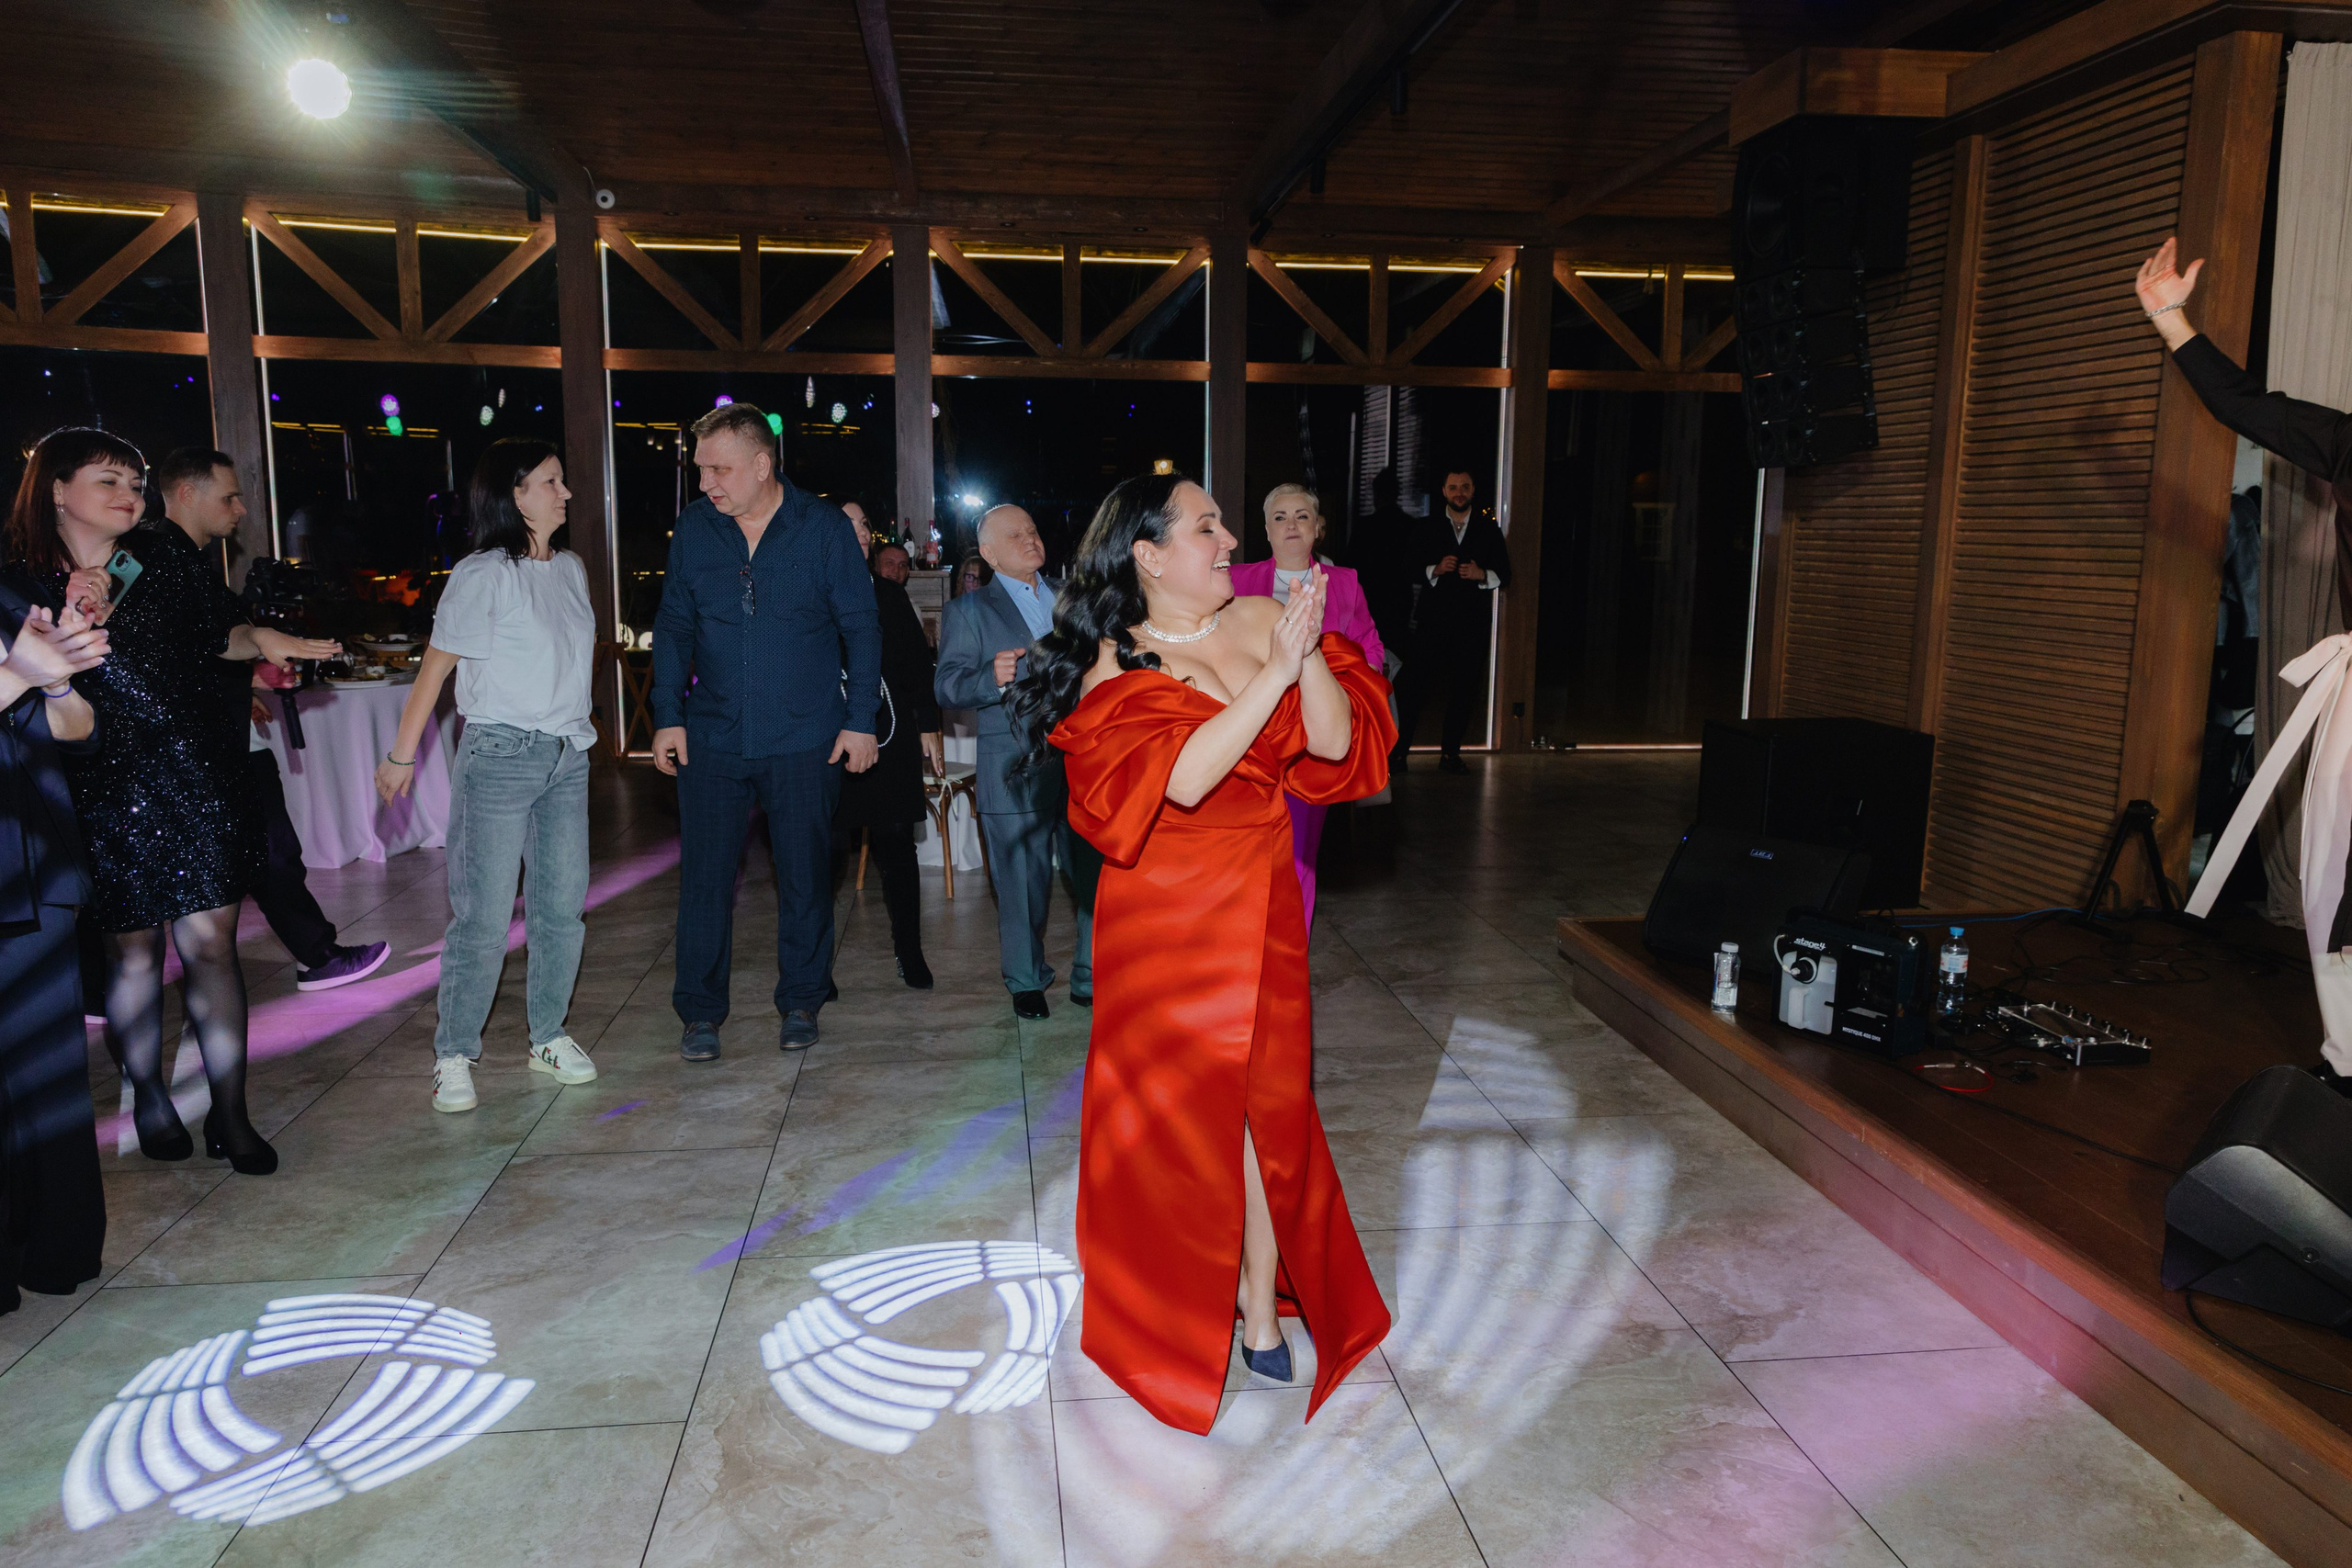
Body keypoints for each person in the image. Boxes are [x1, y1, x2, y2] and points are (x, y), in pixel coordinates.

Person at [1012, 471, 1394, 1433]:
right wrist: (1275, 670)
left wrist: (1300, 652)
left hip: (1261, 902)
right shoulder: (1115, 661)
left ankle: (1260, 1307)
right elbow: (1182, 780)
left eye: (1226, 526)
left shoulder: (1265, 613)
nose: (1231, 541)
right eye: (1208, 526)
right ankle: (1176, 1309)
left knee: (1271, 1118)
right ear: (1147, 555)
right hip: (1167, 925)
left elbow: (1335, 742)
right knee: (1188, 1134)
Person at [4, 428, 338, 1178]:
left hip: (196, 775)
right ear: (58, 490)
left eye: (136, 482)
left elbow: (219, 633)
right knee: (134, 954)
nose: (131, 496)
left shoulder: (156, 552)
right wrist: (78, 599)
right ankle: (148, 1093)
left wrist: (264, 638)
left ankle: (230, 1112)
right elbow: (58, 652)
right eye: (110, 482)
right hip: (106, 786)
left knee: (213, 945)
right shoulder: (25, 581)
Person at [377, 440, 600, 1113]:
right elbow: (436, 667)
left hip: (568, 756)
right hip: (500, 755)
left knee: (563, 909)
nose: (565, 492)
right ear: (515, 492)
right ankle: (453, 1053)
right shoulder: (482, 574)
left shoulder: (571, 569)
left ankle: (548, 1035)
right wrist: (401, 752)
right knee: (482, 916)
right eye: (552, 481)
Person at [650, 404, 880, 1058]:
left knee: (805, 874)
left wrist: (860, 721)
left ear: (762, 463)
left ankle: (802, 1000)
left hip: (806, 735)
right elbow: (673, 627)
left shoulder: (824, 529)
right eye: (700, 470)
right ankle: (699, 1013)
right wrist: (667, 712)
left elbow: (862, 627)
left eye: (719, 469)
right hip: (713, 736)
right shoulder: (695, 529)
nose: (706, 484)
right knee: (705, 878)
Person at [152, 448, 387, 991]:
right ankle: (318, 956)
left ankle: (318, 953)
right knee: (268, 851)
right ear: (187, 493)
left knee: (269, 852)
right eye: (229, 496)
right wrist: (243, 676)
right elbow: (150, 653)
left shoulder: (189, 560)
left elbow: (196, 648)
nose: (239, 509)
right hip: (201, 743)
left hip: (221, 732)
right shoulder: (153, 557)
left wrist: (250, 678)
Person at [935, 503, 1097, 1020]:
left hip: (1083, 758)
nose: (1030, 538)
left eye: (1032, 529)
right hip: (1015, 764)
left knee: (1094, 873)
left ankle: (1090, 975)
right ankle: (1026, 979)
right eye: (1015, 533)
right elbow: (947, 685)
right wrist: (991, 675)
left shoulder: (1071, 598)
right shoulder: (970, 610)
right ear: (988, 553)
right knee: (1022, 882)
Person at [0, 574, 109, 1316]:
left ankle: (56, 1244)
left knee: (48, 1071)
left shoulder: (8, 599)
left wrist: (60, 682)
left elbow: (77, 730)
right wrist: (18, 675)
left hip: (29, 854)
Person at [1228, 484, 1384, 934]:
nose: (1291, 525)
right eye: (1280, 517)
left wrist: (1349, 690)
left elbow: (1371, 649)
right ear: (1266, 530)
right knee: (1249, 843)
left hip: (1312, 737)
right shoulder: (1237, 581)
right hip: (1250, 731)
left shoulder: (1346, 583)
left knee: (1298, 849)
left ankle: (1291, 943)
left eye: (1301, 516)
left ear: (1318, 528)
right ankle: (1248, 937)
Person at [833, 522, 944, 988]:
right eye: (848, 523)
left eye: (864, 526)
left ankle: (909, 951)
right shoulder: (807, 590)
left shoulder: (889, 594)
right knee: (823, 854)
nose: (860, 532)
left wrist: (930, 723)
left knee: (897, 843)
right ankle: (813, 966)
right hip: (826, 739)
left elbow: (918, 662)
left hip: (891, 733)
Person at [1398, 467, 1510, 773]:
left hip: (1471, 625)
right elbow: (1407, 568)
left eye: (1465, 486)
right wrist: (1433, 569)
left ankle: (1450, 754)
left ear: (1473, 491)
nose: (1459, 492)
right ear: (1444, 492)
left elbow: (1506, 575)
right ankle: (1399, 753)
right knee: (1414, 689)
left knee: (1464, 690)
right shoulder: (1427, 527)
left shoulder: (1489, 529)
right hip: (1432, 622)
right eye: (1453, 487)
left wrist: (1482, 575)